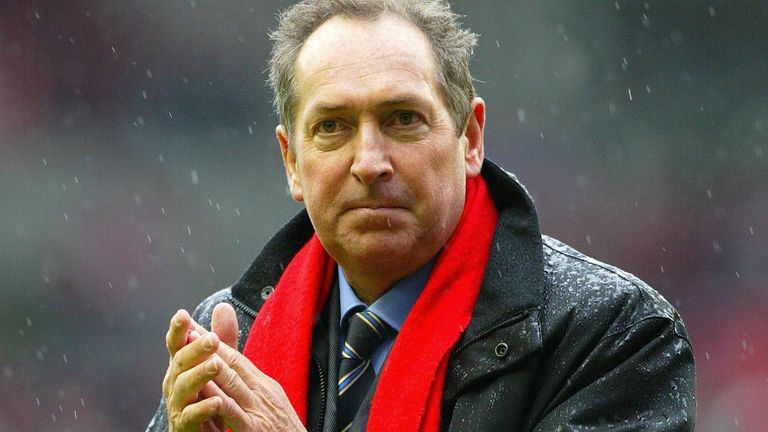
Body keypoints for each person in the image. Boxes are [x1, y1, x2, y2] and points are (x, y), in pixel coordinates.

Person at [147, 1, 696, 431]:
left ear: (470, 137)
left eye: (403, 118)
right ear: (292, 162)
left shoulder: (614, 334)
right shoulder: (226, 340)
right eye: (332, 126)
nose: (369, 162)